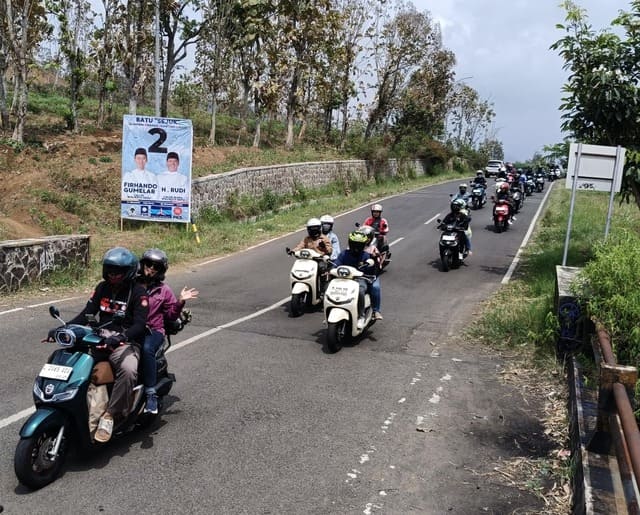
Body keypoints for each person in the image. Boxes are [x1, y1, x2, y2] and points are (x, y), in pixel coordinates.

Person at [56, 247, 149, 443]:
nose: (113, 274)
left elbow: (140, 325)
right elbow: (86, 314)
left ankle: (110, 415)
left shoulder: (138, 292)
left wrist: (120, 337)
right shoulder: (102, 288)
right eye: (110, 270)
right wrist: (63, 329)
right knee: (71, 361)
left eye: (118, 271)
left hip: (125, 342)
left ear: (129, 272)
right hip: (99, 338)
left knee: (128, 370)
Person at [137, 248, 199, 414]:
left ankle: (151, 393)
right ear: (142, 264)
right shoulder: (132, 284)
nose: (151, 268)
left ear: (161, 270)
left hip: (154, 331)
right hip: (133, 328)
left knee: (147, 348)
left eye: (156, 266)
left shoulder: (164, 290)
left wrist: (180, 301)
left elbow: (171, 315)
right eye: (148, 264)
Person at [333, 230, 381, 328]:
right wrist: (331, 270)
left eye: (359, 244)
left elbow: (371, 270)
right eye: (354, 244)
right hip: (344, 279)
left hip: (360, 280)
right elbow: (336, 264)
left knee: (360, 291)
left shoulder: (366, 256)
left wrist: (371, 263)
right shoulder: (344, 254)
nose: (356, 247)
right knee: (331, 288)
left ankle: (361, 316)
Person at [360, 225, 383, 320]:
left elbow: (378, 264)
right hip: (355, 274)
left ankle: (376, 310)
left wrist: (375, 257)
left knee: (375, 287)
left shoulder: (373, 249)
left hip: (370, 275)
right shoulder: (352, 247)